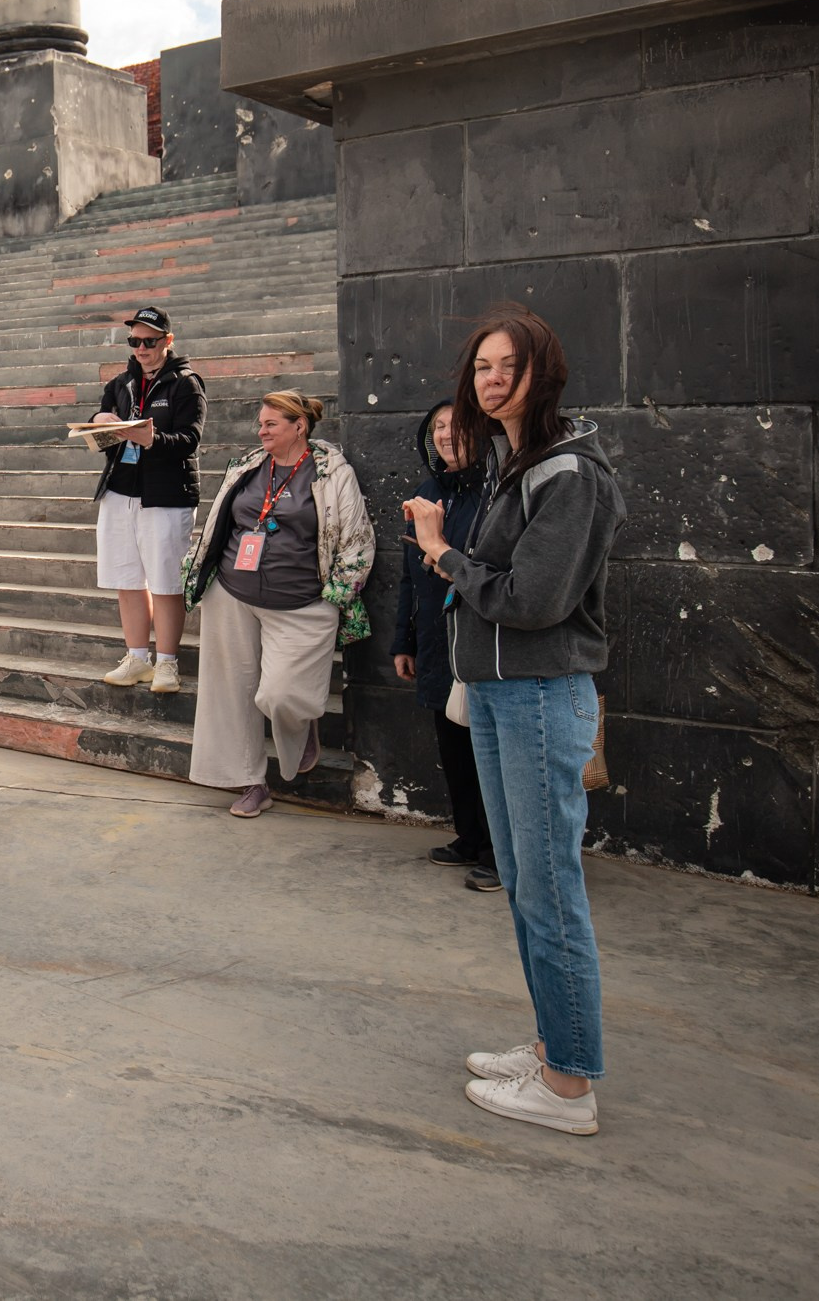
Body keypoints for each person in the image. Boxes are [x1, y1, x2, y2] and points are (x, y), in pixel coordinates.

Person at [407, 306, 624, 1138]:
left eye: (509, 365)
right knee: (528, 883)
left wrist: (441, 551)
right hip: (501, 692)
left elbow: (533, 600)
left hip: (538, 692)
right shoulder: (519, 462)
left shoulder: (569, 473)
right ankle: (552, 1046)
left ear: (546, 371)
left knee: (552, 889)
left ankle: (569, 1087)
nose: (492, 379)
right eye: (482, 367)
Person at [181, 390, 375, 819]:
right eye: (261, 423)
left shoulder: (331, 473)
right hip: (232, 593)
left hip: (302, 601)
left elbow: (357, 541)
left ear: (299, 426)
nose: (261, 430)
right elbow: (221, 521)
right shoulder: (250, 465)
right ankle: (251, 781)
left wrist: (338, 595)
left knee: (283, 694)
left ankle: (301, 727)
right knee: (230, 694)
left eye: (270, 424)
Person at [392, 399, 498, 893]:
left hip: (483, 640)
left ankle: (501, 854)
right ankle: (470, 838)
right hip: (437, 639)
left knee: (490, 752)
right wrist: (404, 640)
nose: (445, 434)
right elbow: (410, 576)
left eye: (457, 425)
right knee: (452, 744)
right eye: (437, 426)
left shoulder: (498, 493)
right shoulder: (428, 491)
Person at [88, 306, 207, 694]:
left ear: (168, 342)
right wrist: (99, 422)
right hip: (121, 490)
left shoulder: (186, 384)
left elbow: (190, 441)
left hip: (166, 495)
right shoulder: (121, 383)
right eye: (135, 341)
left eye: (150, 341)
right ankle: (138, 657)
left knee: (166, 582)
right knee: (127, 580)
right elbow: (103, 433)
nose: (141, 348)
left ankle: (168, 662)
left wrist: (151, 439)